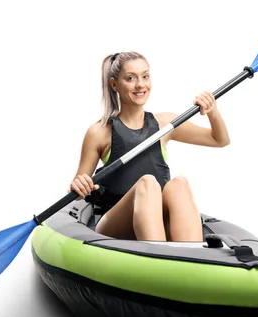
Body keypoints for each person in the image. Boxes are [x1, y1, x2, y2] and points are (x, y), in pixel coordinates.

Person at [69, 51, 231, 242]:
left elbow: (219, 140)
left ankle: (191, 257)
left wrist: (212, 112)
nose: (140, 85)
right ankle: (160, 259)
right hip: (113, 224)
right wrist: (78, 185)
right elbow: (78, 192)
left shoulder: (165, 124)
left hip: (154, 220)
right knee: (147, 183)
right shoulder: (99, 131)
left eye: (145, 76)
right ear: (114, 84)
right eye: (130, 78)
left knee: (179, 184)